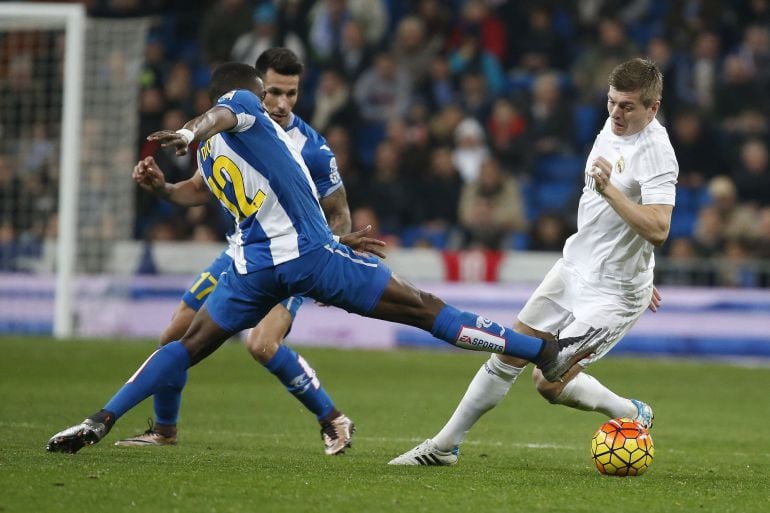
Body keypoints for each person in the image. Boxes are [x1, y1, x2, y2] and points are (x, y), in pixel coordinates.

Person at [46, 62, 602, 455]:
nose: (271, 103)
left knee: (185, 344)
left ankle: (102, 418)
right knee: (424, 308)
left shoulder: (225, 152)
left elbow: (206, 178)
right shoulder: (236, 110)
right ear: (247, 92)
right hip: (308, 259)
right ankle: (542, 351)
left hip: (251, 270)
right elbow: (217, 117)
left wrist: (163, 184)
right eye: (265, 93)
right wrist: (191, 129)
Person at [389, 58, 676, 466]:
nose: (615, 113)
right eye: (611, 102)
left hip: (613, 291)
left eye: (627, 106)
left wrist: (615, 202)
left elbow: (660, 228)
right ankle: (445, 446)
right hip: (574, 267)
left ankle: (630, 413)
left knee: (547, 380)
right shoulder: (613, 128)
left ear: (653, 107)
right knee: (508, 350)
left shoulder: (657, 152)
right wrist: (639, 260)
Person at [116, 48, 358, 455]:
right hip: (241, 253)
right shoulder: (229, 126)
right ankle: (164, 430)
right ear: (254, 89)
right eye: (274, 93)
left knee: (262, 344)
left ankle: (332, 419)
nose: (282, 104)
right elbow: (197, 188)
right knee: (173, 335)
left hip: (296, 256)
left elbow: (340, 214)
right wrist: (161, 188)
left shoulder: (312, 148)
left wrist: (326, 261)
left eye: (292, 94)